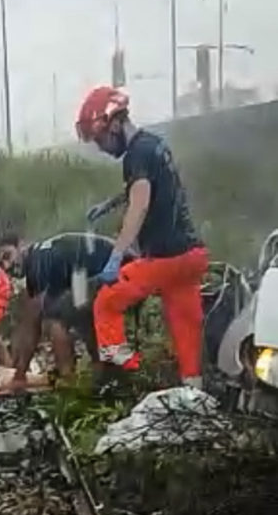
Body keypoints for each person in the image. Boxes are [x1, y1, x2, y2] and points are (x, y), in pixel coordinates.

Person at [75, 85, 209, 387]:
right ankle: (194, 392)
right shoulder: (154, 144)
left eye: (101, 139)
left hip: (165, 258)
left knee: (106, 302)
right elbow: (150, 186)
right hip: (191, 256)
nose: (102, 148)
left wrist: (116, 256)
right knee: (185, 328)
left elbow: (141, 203)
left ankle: (127, 376)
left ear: (115, 123)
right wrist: (112, 202)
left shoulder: (135, 155)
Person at [0, 231, 135, 385]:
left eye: (7, 256)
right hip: (123, 267)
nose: (6, 266)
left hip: (123, 270)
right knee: (77, 312)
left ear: (22, 246)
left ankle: (68, 382)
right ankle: (105, 374)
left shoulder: (38, 263)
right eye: (0, 264)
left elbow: (33, 324)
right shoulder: (42, 257)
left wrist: (19, 375)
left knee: (54, 318)